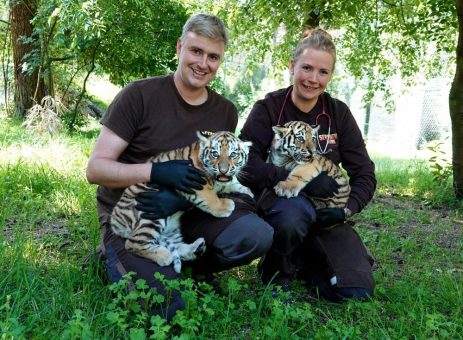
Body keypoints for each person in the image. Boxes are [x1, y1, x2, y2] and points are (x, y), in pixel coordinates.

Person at [86, 13, 273, 321]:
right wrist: (155, 172)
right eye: (196, 51)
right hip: (136, 216)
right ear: (179, 48)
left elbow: (219, 174)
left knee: (255, 234)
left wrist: (183, 197)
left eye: (213, 57)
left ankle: (191, 265)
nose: (203, 63)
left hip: (189, 214)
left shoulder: (225, 111)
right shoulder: (139, 95)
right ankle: (114, 254)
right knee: (171, 309)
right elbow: (96, 169)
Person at [239, 29, 376, 302]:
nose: (313, 79)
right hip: (282, 207)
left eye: (323, 72)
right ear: (292, 66)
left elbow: (365, 174)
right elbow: (245, 164)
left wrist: (346, 210)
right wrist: (295, 176)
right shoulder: (267, 108)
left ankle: (304, 257)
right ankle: (276, 269)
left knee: (355, 291)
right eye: (307, 68)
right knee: (294, 213)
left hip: (326, 214)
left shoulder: (338, 113)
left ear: (330, 75)